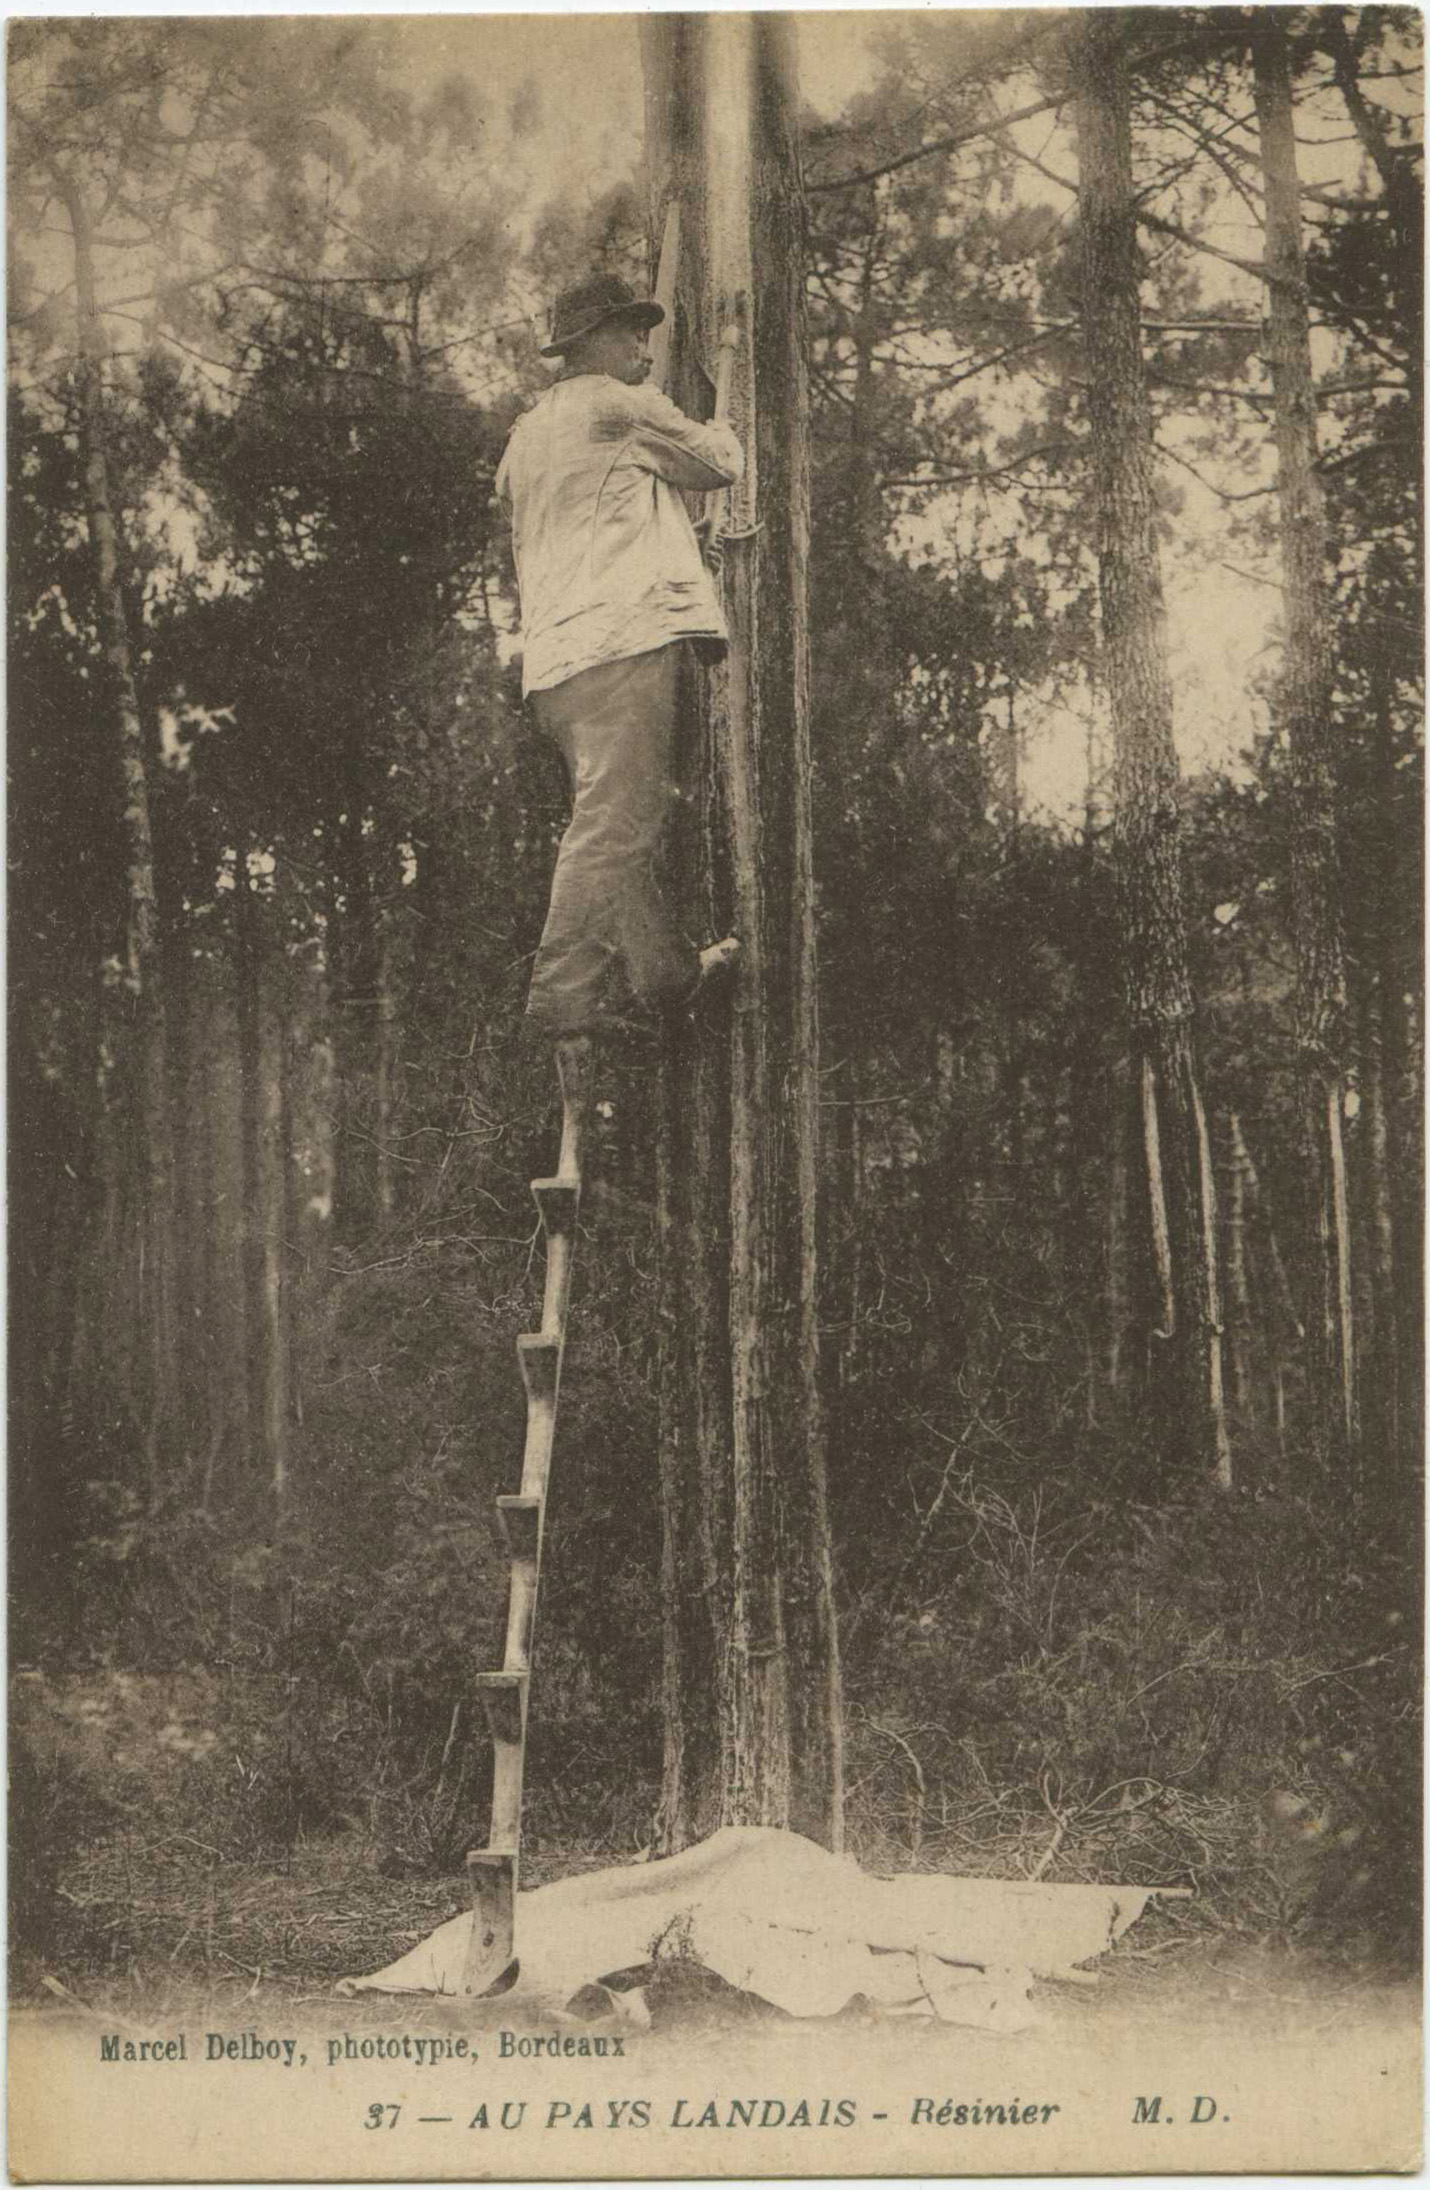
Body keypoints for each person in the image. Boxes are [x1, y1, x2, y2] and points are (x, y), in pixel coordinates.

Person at [497, 271, 744, 1043]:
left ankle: (664, 974)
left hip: (556, 665)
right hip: (623, 641)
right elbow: (717, 462)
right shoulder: (618, 405)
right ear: (591, 346)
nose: (645, 346)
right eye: (631, 332)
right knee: (614, 824)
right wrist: (728, 421)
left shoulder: (525, 437)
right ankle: (561, 993)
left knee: (616, 816)